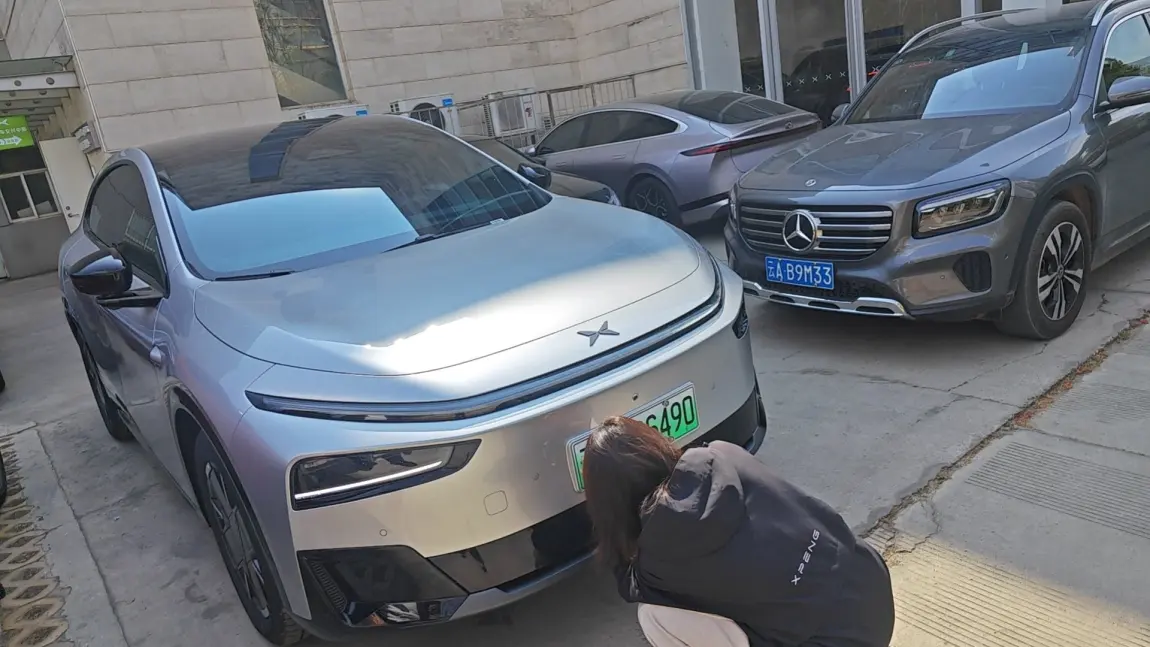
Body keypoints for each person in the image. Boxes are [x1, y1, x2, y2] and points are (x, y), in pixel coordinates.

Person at [581, 416, 895, 647]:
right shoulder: (721, 454)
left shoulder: (653, 564)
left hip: (834, 641)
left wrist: (617, 539)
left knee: (654, 615)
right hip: (872, 587)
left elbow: (629, 585)